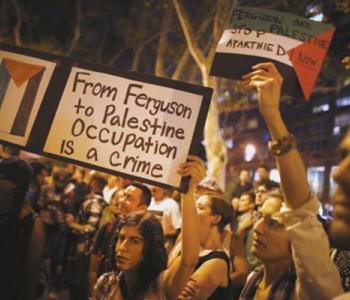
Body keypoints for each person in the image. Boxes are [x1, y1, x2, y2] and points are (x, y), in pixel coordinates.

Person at [239, 62, 343, 299]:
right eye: (260, 218)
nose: (257, 227)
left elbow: (302, 211)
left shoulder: (307, 290)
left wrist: (273, 115)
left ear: (298, 240)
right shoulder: (252, 280)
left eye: (274, 223)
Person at [94, 155, 204, 299]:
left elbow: (188, 261)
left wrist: (188, 192)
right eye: (121, 238)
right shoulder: (105, 284)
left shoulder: (161, 286)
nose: (122, 247)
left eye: (134, 241)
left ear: (150, 247)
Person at [89, 183, 151, 297]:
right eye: (123, 195)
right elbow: (93, 264)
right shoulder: (108, 227)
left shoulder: (148, 236)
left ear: (142, 208)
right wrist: (94, 291)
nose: (121, 201)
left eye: (129, 198)